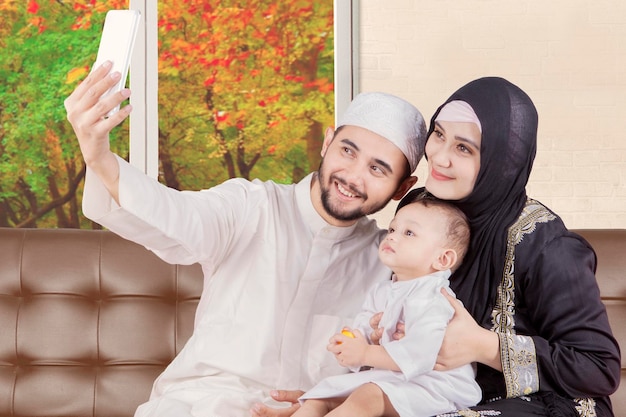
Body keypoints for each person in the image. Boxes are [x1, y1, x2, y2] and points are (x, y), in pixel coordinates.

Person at [64, 60, 428, 416]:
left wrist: (327, 403)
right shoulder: (250, 205)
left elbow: (413, 373)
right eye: (347, 151)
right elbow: (173, 213)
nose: (352, 176)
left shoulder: (390, 262)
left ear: (402, 188)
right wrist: (99, 156)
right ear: (327, 142)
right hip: (202, 405)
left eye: (377, 169)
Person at [257, 77, 621, 417]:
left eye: (464, 148)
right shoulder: (423, 206)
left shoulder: (547, 247)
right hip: (434, 389)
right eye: (439, 134)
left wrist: (483, 346)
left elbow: (598, 369)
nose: (440, 157)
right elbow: (406, 302)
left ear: (502, 162)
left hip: (540, 403)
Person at [293, 195, 481, 417]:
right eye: (392, 230)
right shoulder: (382, 290)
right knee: (319, 397)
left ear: (442, 259)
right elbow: (364, 326)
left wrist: (365, 354)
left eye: (409, 233)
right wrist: (351, 340)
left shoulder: (434, 297)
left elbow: (420, 356)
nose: (392, 237)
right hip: (392, 377)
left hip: (434, 383)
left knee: (368, 396)